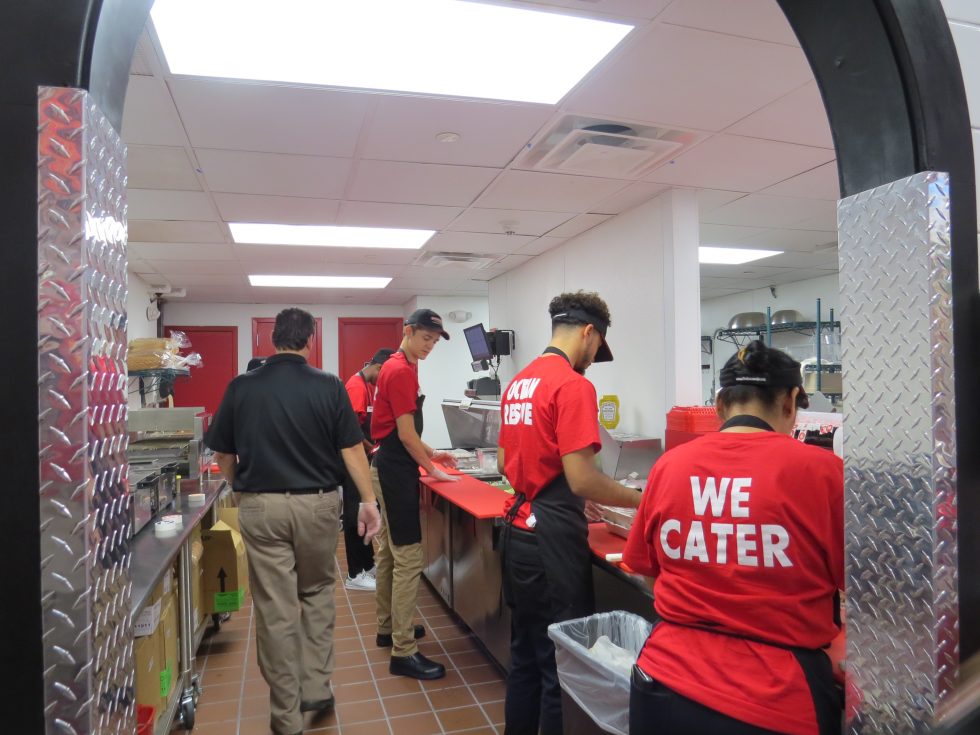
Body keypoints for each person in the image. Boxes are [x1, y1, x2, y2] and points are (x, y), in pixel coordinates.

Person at [623, 340, 844, 735]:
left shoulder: (669, 466)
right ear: (790, 402)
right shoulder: (825, 472)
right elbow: (858, 587)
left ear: (720, 405)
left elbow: (647, 571)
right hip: (776, 699)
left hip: (664, 682)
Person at [206, 308, 382, 735]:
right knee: (318, 592)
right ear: (310, 340)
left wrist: (243, 489)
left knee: (275, 608)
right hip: (317, 506)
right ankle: (316, 687)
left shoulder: (242, 386)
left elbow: (223, 455)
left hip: (261, 507)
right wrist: (368, 500)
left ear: (273, 341)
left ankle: (286, 716)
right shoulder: (329, 385)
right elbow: (352, 450)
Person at [497, 291, 642, 735]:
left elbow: (505, 462)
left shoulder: (520, 382)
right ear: (589, 333)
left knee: (525, 656)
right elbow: (582, 479)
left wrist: (561, 487)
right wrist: (643, 499)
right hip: (551, 544)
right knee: (559, 665)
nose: (593, 359)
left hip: (517, 533)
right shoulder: (573, 385)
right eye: (597, 349)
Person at [372, 308, 459, 680]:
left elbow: (402, 430)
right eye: (426, 338)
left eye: (435, 342)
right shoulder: (400, 371)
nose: (429, 346)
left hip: (390, 465)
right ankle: (403, 651)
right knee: (408, 558)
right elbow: (406, 436)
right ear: (408, 332)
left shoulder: (401, 366)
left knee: (390, 554)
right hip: (394, 471)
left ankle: (388, 627)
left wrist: (432, 454)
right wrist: (433, 470)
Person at [341, 347, 395, 591]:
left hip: (361, 458)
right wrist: (373, 448)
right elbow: (351, 430)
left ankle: (367, 564)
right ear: (379, 367)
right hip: (353, 461)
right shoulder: (356, 387)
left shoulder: (365, 386)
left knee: (363, 512)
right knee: (354, 515)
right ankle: (355, 573)